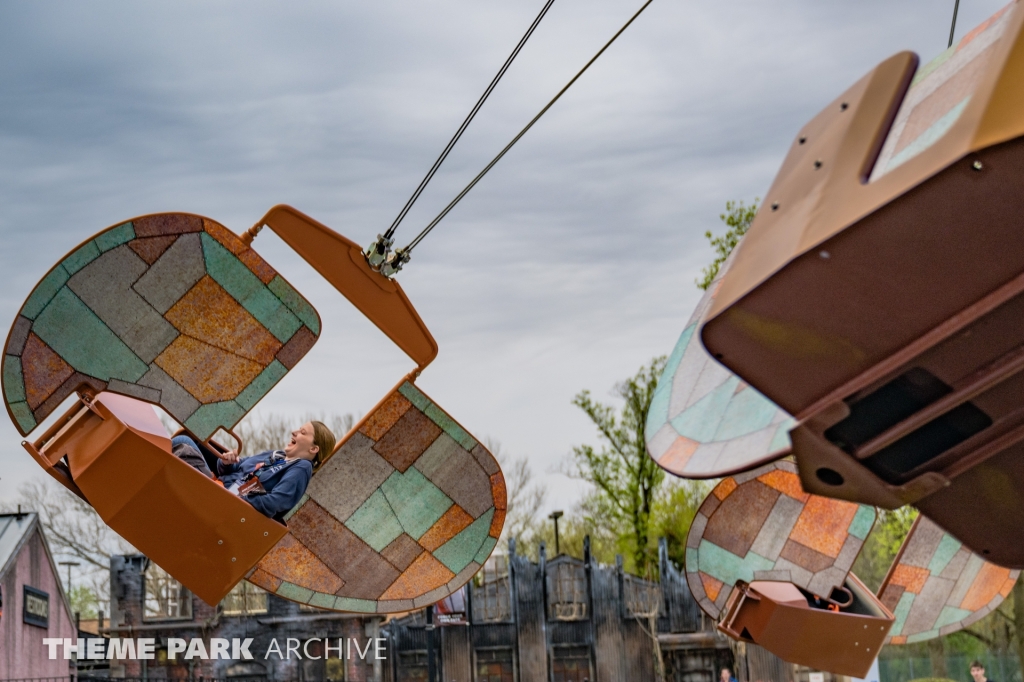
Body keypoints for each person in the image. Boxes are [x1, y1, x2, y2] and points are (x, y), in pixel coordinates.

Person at [171, 421, 335, 523]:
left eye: (302, 433)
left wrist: (239, 498)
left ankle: (177, 496)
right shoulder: (275, 455)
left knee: (183, 442)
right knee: (185, 440)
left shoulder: (302, 467)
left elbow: (275, 502)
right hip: (220, 487)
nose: (294, 432)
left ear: (313, 449)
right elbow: (236, 467)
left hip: (225, 503)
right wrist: (227, 462)